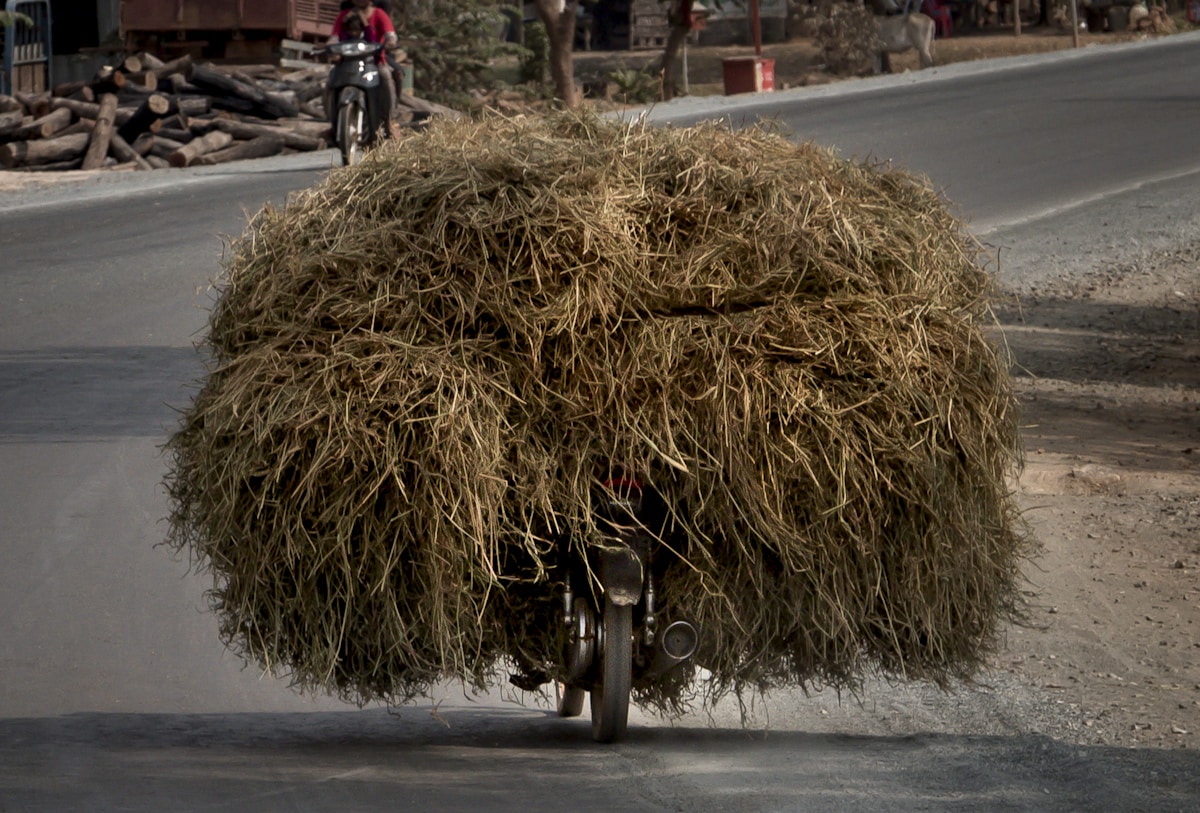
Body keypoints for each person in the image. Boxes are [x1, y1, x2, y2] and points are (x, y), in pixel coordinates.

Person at [329, 0, 401, 132]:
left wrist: (390, 42)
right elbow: (334, 37)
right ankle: (333, 123)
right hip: (347, 63)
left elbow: (390, 35)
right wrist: (331, 47)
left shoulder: (379, 14)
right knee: (331, 79)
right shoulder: (344, 15)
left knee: (385, 77)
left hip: (374, 62)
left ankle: (391, 120)